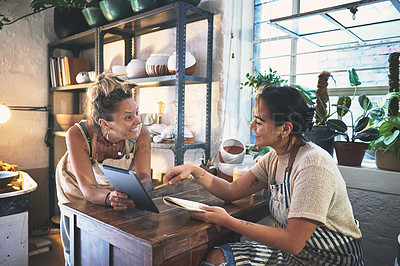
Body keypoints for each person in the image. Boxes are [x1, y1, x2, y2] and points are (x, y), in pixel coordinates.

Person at [164, 86, 365, 265]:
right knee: (218, 258)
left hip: (328, 259)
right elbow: (231, 191)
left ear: (286, 128)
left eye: (259, 121)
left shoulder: (313, 164)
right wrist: (193, 170)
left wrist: (227, 221)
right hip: (292, 255)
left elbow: (293, 242)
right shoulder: (274, 158)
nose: (252, 126)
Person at [55, 72, 152, 265]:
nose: (138, 121)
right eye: (128, 117)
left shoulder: (141, 134)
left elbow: (143, 175)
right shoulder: (77, 134)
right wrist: (109, 197)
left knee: (104, 242)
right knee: (75, 243)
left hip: (108, 184)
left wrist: (143, 189)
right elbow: (89, 189)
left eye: (137, 113)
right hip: (75, 186)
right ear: (104, 123)